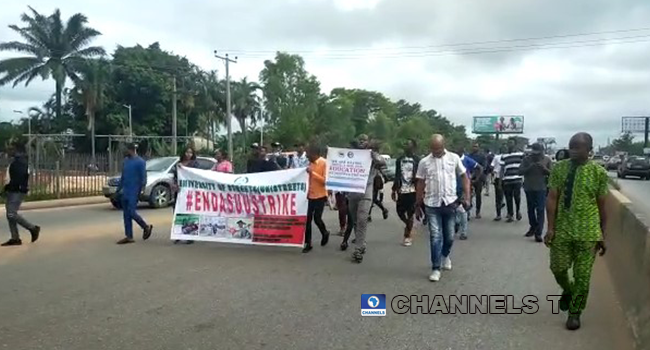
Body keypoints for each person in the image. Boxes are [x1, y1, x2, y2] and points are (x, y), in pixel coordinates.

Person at [545, 132, 608, 331]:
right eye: (571, 146)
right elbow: (552, 198)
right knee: (558, 269)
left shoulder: (599, 173)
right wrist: (551, 227)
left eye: (578, 147)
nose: (573, 150)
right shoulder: (559, 169)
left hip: (588, 232)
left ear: (589, 150)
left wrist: (602, 234)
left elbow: (602, 205)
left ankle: (575, 312)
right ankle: (568, 290)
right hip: (563, 230)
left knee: (583, 276)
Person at [415, 134, 469, 282]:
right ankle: (435, 268)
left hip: (450, 203)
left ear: (443, 145)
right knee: (435, 236)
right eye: (433, 149)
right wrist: (417, 204)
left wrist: (467, 197)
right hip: (431, 204)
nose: (436, 152)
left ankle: (445, 255)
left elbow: (464, 177)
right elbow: (420, 182)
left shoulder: (454, 158)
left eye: (438, 149)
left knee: (450, 236)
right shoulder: (424, 162)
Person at [346, 134, 386, 263]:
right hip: (352, 192)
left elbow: (383, 163)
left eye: (364, 141)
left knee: (362, 218)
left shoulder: (373, 155)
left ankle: (358, 249)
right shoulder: (353, 154)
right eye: (360, 140)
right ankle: (361, 242)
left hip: (366, 192)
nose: (362, 142)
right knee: (355, 220)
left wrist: (372, 154)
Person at [1, 142, 40, 247]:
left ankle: (32, 228)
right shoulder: (17, 161)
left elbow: (18, 178)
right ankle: (15, 238)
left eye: (11, 149)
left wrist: (11, 187)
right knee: (10, 215)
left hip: (16, 191)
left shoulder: (20, 162)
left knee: (11, 214)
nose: (9, 151)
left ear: (17, 150)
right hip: (13, 190)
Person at [116, 143, 153, 245]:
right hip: (125, 191)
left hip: (134, 191)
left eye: (127, 150)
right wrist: (118, 190)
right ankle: (129, 236)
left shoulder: (140, 162)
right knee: (126, 215)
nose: (125, 152)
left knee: (132, 212)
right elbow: (123, 177)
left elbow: (143, 177)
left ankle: (145, 226)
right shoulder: (126, 161)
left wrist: (142, 190)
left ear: (131, 150)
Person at [520, 143, 553, 242]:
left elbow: (553, 173)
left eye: (538, 153)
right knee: (530, 209)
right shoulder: (527, 159)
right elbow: (520, 171)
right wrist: (530, 167)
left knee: (540, 210)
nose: (536, 155)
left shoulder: (547, 159)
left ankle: (538, 233)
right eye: (534, 153)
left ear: (542, 151)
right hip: (529, 187)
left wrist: (544, 169)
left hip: (541, 188)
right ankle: (533, 226)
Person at [391, 138, 420, 246]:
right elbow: (397, 174)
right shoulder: (399, 159)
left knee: (410, 212)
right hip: (401, 189)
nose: (406, 146)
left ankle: (407, 236)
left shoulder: (417, 160)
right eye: (405, 144)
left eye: (408, 144)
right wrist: (394, 189)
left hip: (413, 190)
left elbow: (421, 176)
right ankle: (408, 224)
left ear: (413, 147)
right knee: (399, 211)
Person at [303, 145, 330, 253]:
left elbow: (325, 181)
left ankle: (325, 232)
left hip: (320, 195)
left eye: (308, 154)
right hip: (310, 195)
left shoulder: (324, 163)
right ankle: (308, 243)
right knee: (307, 220)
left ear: (314, 154)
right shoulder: (309, 163)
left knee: (317, 218)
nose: (307, 156)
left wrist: (312, 173)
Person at [174, 146, 200, 245]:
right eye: (187, 152)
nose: (188, 154)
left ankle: (190, 235)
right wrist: (175, 184)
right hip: (180, 192)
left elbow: (197, 176)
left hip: (190, 192)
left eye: (190, 153)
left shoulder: (195, 164)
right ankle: (178, 234)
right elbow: (175, 176)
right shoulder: (178, 164)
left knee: (190, 212)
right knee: (178, 211)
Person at [456, 147, 480, 240]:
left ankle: (464, 232)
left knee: (463, 210)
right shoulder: (452, 160)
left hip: (463, 188)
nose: (456, 152)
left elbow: (479, 168)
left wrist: (475, 179)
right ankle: (457, 223)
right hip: (452, 189)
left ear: (462, 151)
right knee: (454, 210)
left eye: (458, 150)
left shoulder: (466, 160)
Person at [500, 139, 524, 222]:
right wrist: (500, 180)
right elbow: (502, 169)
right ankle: (510, 214)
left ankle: (518, 211)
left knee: (517, 197)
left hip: (517, 178)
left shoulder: (520, 154)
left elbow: (525, 164)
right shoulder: (504, 156)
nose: (510, 145)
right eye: (508, 143)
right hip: (507, 179)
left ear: (515, 144)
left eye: (511, 143)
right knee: (508, 198)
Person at [467, 143, 487, 219]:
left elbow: (483, 167)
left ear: (478, 147)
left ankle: (478, 211)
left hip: (479, 178)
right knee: (468, 195)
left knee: (478, 195)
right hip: (469, 177)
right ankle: (468, 211)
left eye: (476, 146)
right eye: (473, 146)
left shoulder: (482, 156)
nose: (474, 148)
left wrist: (477, 175)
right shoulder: (469, 156)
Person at [492, 145, 507, 221]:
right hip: (498, 178)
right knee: (498, 197)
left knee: (508, 197)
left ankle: (509, 213)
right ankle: (498, 214)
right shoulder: (496, 157)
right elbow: (492, 166)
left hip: (507, 178)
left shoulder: (509, 157)